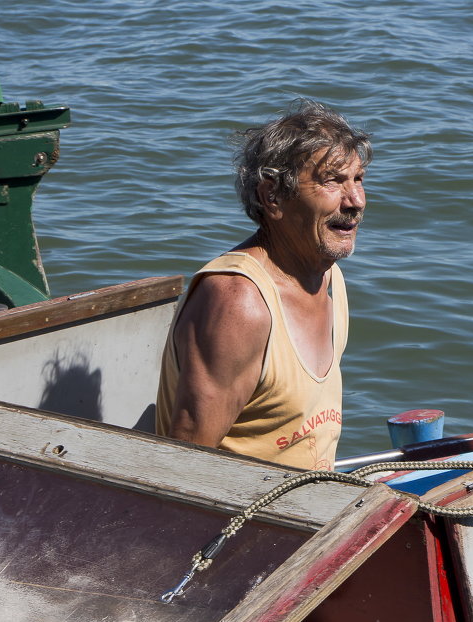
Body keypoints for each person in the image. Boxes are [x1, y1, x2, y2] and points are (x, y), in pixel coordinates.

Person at [155, 99, 371, 470]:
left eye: (358, 179)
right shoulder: (238, 301)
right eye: (332, 180)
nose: (355, 200)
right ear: (271, 196)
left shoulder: (328, 275)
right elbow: (183, 468)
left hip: (312, 510)